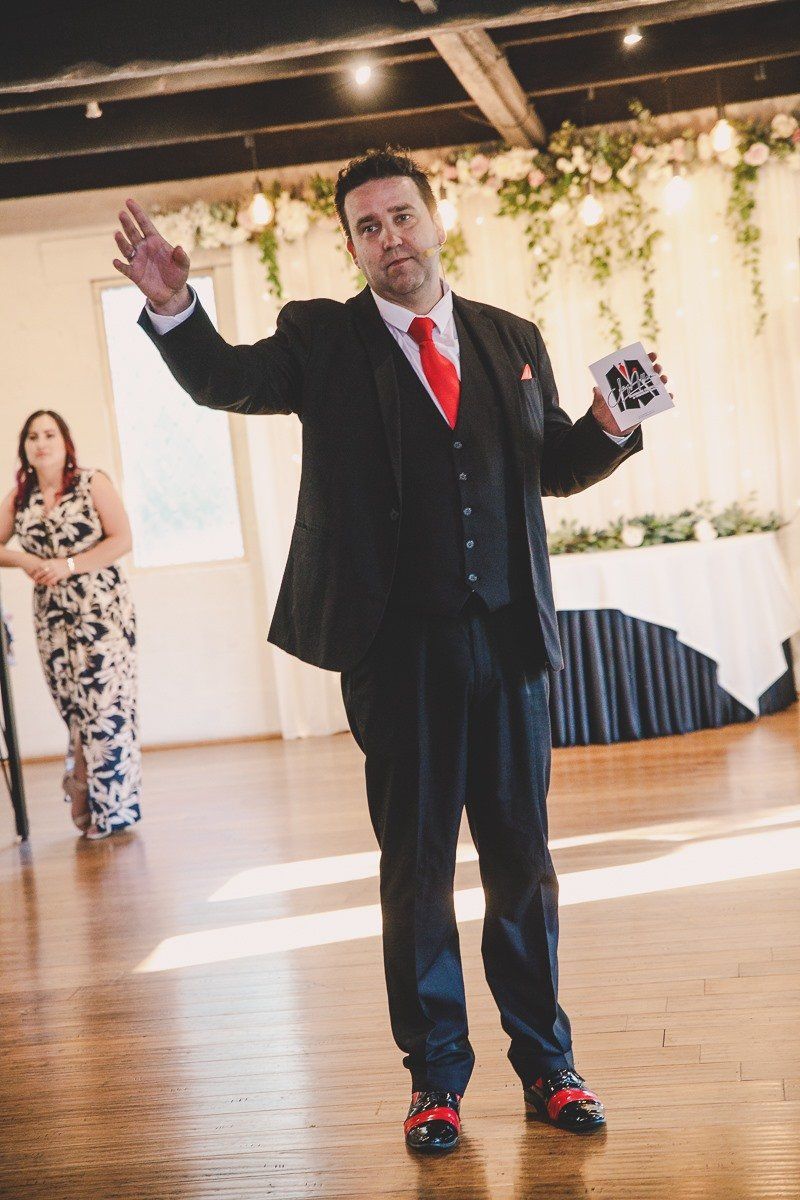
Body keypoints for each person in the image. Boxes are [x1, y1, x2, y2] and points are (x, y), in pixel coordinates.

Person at [115, 147, 671, 1152]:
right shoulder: (320, 341)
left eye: (401, 217)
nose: (389, 240)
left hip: (505, 645)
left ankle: (548, 1065)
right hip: (395, 654)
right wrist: (173, 312)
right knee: (415, 869)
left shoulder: (510, 338)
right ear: (352, 243)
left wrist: (606, 424)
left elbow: (548, 465)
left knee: (521, 864)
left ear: (433, 218)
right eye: (367, 227)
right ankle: (434, 1082)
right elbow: (224, 381)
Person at [0, 411, 141, 841]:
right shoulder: (19, 497)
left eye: (49, 434)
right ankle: (89, 797)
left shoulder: (91, 482)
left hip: (101, 613)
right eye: (32, 436)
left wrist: (69, 565)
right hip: (51, 618)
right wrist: (25, 559)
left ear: (65, 442)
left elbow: (122, 539)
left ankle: (111, 810)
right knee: (75, 711)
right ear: (24, 447)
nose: (40, 442)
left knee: (105, 710)